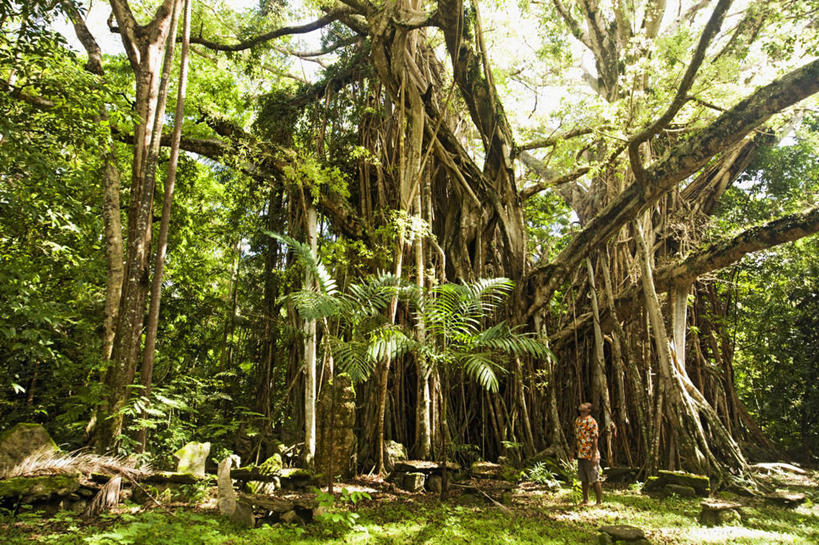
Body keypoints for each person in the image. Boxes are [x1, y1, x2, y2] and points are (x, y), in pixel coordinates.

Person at [570, 401, 602, 505]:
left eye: (585, 405)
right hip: (581, 454)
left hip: (590, 454)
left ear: (588, 410)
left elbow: (595, 439)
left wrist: (594, 456)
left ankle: (598, 501)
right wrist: (572, 453)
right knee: (583, 479)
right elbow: (575, 437)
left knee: (594, 478)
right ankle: (585, 499)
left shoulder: (592, 422)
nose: (581, 405)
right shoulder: (578, 420)